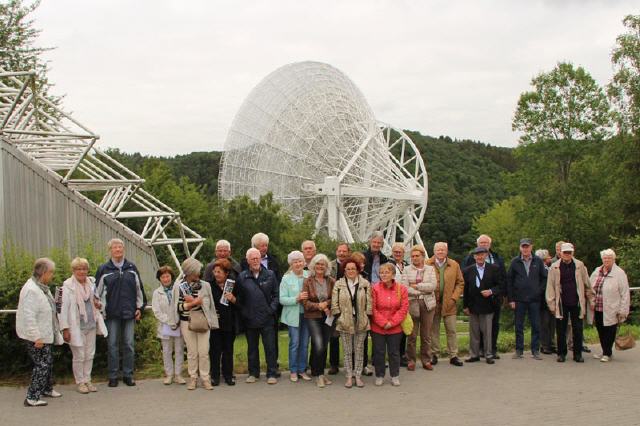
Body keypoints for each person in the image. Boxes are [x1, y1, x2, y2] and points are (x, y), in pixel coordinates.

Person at [95, 238, 146, 387]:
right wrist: (100, 309)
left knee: (129, 344)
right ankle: (113, 376)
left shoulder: (131, 268)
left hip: (129, 313)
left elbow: (139, 290)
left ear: (123, 250)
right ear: (110, 250)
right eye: (115, 248)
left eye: (120, 247)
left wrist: (139, 308)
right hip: (111, 314)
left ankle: (128, 375)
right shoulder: (104, 269)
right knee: (112, 345)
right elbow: (96, 293)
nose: (118, 250)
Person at [16, 258, 63, 407]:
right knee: (42, 365)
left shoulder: (42, 287)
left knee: (48, 362)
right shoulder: (31, 289)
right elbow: (28, 315)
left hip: (46, 333)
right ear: (43, 272)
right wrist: (36, 337)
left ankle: (47, 388)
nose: (52, 275)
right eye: (51, 272)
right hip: (37, 336)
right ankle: (32, 397)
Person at [170, 258, 218, 390]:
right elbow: (177, 307)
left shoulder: (205, 285)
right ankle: (193, 378)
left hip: (203, 323)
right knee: (192, 352)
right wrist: (192, 304)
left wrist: (198, 302)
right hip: (186, 323)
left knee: (203, 352)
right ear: (189, 272)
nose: (199, 274)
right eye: (196, 271)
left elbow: (209, 305)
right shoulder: (179, 286)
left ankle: (205, 378)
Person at [236, 248, 280, 384]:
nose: (255, 260)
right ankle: (253, 373)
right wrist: (245, 313)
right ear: (247, 260)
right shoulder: (242, 277)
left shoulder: (270, 274)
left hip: (267, 318)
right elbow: (239, 298)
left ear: (261, 259)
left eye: (257, 258)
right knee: (252, 348)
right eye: (252, 258)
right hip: (250, 319)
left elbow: (276, 295)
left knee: (270, 348)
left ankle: (271, 373)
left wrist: (270, 310)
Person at [60, 257, 104, 394]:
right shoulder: (67, 286)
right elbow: (62, 309)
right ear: (73, 270)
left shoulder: (91, 283)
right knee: (79, 355)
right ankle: (80, 382)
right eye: (78, 269)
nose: (81, 271)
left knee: (89, 354)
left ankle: (88, 379)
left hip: (91, 323)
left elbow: (98, 300)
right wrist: (65, 328)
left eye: (84, 269)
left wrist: (99, 304)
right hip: (76, 326)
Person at [546, 243, 595, 363]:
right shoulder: (555, 267)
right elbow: (550, 286)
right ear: (561, 253)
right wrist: (551, 304)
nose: (567, 254)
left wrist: (591, 298)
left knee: (578, 329)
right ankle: (561, 353)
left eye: (569, 252)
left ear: (573, 253)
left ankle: (577, 354)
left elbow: (587, 283)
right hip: (561, 303)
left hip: (577, 302)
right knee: (561, 329)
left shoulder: (579, 265)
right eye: (565, 252)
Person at [463, 234, 506, 359]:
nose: (480, 257)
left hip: (488, 304)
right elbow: (466, 289)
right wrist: (465, 305)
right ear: (474, 257)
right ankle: (474, 354)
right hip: (473, 304)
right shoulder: (468, 270)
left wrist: (492, 291)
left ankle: (488, 354)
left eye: (482, 255)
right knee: (474, 332)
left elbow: (501, 285)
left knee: (488, 331)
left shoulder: (494, 268)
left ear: (486, 255)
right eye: (477, 255)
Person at [331, 256, 371, 388]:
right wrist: (339, 315)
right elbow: (334, 302)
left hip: (361, 320)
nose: (350, 271)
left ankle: (358, 375)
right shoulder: (339, 284)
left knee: (359, 349)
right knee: (348, 350)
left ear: (358, 269)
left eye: (353, 268)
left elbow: (369, 302)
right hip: (345, 320)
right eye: (348, 269)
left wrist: (367, 315)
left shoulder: (365, 283)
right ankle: (349, 376)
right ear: (344, 270)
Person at [507, 239, 548, 360]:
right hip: (519, 299)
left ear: (531, 247)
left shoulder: (538, 261)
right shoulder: (515, 262)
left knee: (536, 325)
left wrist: (539, 291)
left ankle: (535, 350)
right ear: (520, 248)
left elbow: (544, 278)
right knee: (519, 326)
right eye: (523, 247)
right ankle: (519, 350)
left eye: (527, 247)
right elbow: (509, 281)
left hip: (534, 299)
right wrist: (511, 299)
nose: (525, 249)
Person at [426, 242, 465, 367]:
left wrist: (454, 298)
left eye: (443, 250)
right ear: (434, 251)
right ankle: (434, 354)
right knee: (433, 331)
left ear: (446, 251)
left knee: (451, 330)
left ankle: (453, 355)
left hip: (449, 303)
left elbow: (460, 283)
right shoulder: (427, 264)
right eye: (438, 250)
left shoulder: (454, 265)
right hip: (433, 302)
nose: (440, 252)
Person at [371, 262, 409, 386]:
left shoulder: (401, 289)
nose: (384, 275)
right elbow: (373, 308)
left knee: (394, 352)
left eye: (387, 272)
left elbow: (403, 308)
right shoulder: (375, 288)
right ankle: (380, 374)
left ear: (393, 274)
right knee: (379, 352)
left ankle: (394, 375)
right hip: (378, 327)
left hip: (395, 327)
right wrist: (383, 322)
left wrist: (392, 322)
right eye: (381, 272)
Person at [589, 249, 630, 362]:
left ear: (613, 259)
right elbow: (589, 286)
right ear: (602, 259)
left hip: (612, 308)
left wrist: (623, 310)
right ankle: (604, 351)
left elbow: (625, 293)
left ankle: (607, 353)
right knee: (601, 330)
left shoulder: (619, 273)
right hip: (597, 307)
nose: (606, 260)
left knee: (610, 330)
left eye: (609, 258)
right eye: (605, 258)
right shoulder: (597, 271)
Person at [303, 254, 336, 388]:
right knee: (318, 344)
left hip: (328, 316)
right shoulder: (308, 281)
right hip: (313, 316)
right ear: (313, 266)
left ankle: (320, 373)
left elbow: (335, 297)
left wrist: (325, 304)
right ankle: (318, 374)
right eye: (318, 264)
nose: (320, 266)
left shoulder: (331, 281)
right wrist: (318, 306)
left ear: (327, 266)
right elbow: (305, 302)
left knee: (325, 344)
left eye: (323, 264)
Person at [403, 245, 437, 371]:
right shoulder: (406, 270)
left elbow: (432, 286)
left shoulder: (430, 269)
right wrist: (422, 291)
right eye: (412, 256)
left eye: (417, 256)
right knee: (412, 335)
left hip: (428, 305)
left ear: (423, 256)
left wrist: (416, 286)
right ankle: (411, 360)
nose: (415, 258)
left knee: (426, 335)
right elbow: (405, 288)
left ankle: (426, 360)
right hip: (412, 304)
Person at [279, 251, 311, 382]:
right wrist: (296, 298)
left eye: (300, 261)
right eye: (295, 262)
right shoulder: (286, 278)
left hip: (308, 315)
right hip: (293, 316)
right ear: (291, 264)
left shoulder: (309, 276)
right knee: (295, 343)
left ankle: (302, 370)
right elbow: (282, 299)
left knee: (304, 344)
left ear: (304, 262)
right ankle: (293, 371)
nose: (298, 264)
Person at [152, 265, 185, 386]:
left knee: (179, 350)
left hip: (178, 325)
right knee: (167, 351)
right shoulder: (157, 293)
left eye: (167, 276)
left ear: (171, 276)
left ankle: (178, 374)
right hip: (165, 326)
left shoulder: (178, 289)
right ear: (159, 279)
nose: (166, 279)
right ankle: (169, 374)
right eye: (163, 277)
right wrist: (169, 321)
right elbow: (156, 311)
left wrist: (176, 320)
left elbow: (182, 306)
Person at [209, 258, 239, 386]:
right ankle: (215, 376)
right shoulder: (209, 285)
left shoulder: (233, 285)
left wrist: (233, 299)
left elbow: (241, 304)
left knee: (228, 350)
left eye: (219, 272)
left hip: (229, 323)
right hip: (215, 324)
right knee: (215, 351)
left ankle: (228, 375)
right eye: (215, 272)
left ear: (226, 273)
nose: (216, 274)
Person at [327, 242, 351, 374]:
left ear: (348, 252)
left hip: (349, 305)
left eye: (344, 251)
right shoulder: (329, 266)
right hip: (334, 304)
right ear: (336, 252)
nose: (342, 253)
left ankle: (350, 364)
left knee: (349, 336)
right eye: (339, 251)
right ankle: (334, 365)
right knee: (334, 336)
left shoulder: (352, 266)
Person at [391, 242, 409, 366]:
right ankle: (393, 356)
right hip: (392, 299)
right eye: (395, 251)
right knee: (394, 330)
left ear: (403, 253)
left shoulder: (407, 265)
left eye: (400, 252)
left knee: (403, 329)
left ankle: (402, 354)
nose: (398, 253)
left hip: (405, 299)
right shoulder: (389, 265)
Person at [535, 249, 556, 354]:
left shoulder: (548, 267)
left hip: (550, 299)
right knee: (544, 323)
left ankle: (550, 344)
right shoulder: (539, 268)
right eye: (548, 256)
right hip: (543, 300)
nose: (550, 257)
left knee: (551, 323)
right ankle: (544, 345)